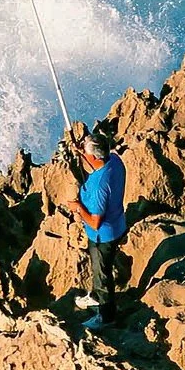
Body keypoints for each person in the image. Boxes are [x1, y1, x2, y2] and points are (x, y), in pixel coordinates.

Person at [68, 132, 126, 329]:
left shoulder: (100, 186)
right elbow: (96, 160)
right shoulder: (115, 162)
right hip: (117, 224)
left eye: (85, 152)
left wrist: (77, 208)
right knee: (97, 267)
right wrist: (81, 152)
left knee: (102, 273)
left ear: (93, 156)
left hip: (103, 235)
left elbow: (94, 222)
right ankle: (94, 296)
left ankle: (107, 316)